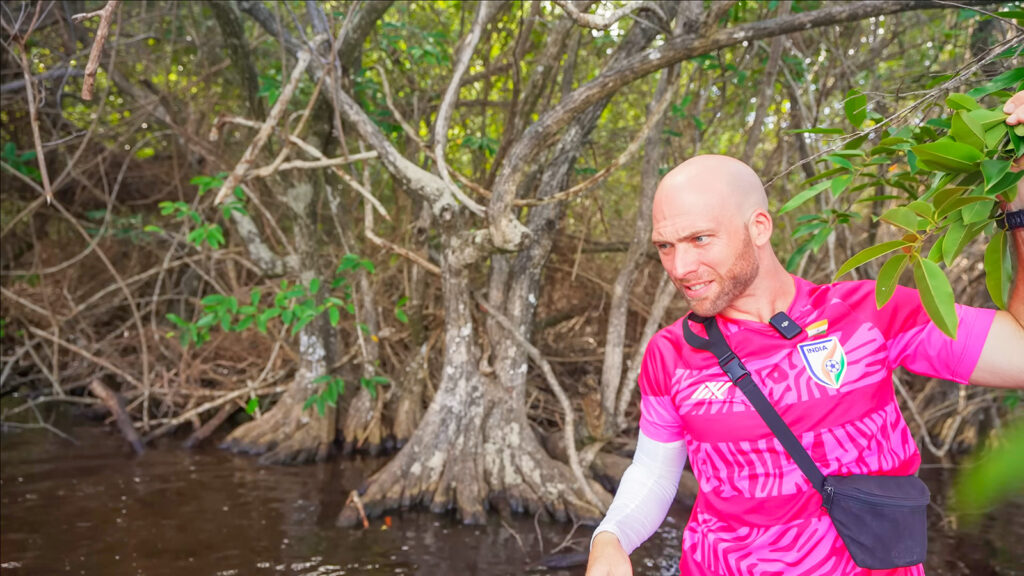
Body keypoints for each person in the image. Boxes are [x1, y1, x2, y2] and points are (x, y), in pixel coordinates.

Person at [586, 92, 1024, 575]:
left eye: (699, 239)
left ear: (758, 227)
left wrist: (1019, 208)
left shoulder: (870, 312)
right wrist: (610, 538)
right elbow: (653, 471)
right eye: (665, 246)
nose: (681, 266)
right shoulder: (671, 353)